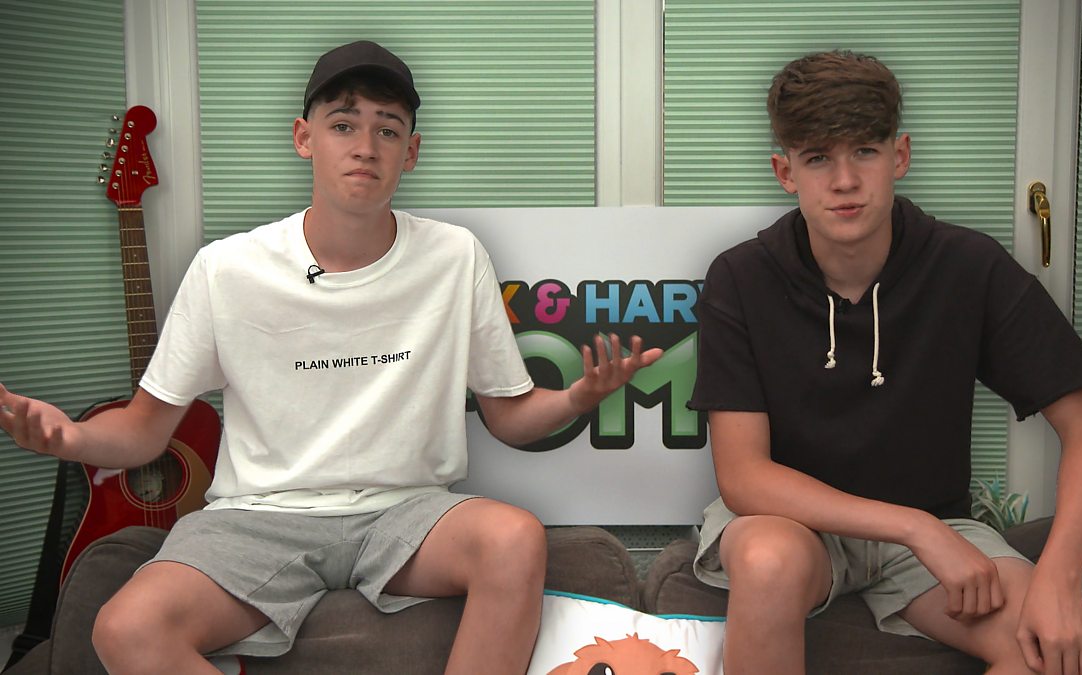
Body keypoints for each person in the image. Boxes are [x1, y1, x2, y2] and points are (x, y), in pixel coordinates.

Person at [0, 40, 661, 675]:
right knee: (125, 628)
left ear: (411, 151)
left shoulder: (456, 256)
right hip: (256, 519)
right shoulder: (226, 268)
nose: (365, 146)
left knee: (514, 537)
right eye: (343, 124)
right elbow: (145, 430)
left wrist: (578, 396)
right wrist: (71, 437)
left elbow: (510, 416)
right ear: (304, 137)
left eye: (388, 129)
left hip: (407, 514)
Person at [688, 50, 1082, 675]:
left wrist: (1060, 579)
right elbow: (744, 476)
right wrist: (917, 529)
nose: (844, 181)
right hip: (793, 524)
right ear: (786, 172)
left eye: (865, 151)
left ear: (900, 156)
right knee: (768, 559)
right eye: (818, 158)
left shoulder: (968, 266)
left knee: (1052, 656)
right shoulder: (740, 277)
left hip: (935, 526)